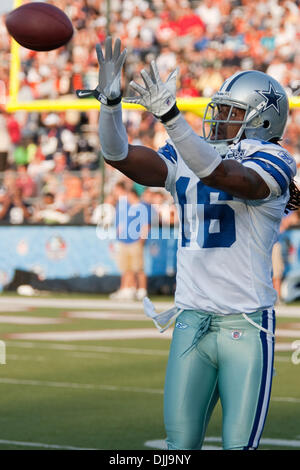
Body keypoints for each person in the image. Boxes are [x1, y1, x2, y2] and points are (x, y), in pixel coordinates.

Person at [77, 37, 300, 450]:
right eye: (219, 111)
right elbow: (120, 156)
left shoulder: (275, 159)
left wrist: (173, 117)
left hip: (244, 323)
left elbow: (229, 178)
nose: (218, 121)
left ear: (262, 120)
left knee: (239, 447)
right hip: (190, 320)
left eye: (232, 114)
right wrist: (110, 107)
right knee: (178, 448)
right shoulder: (190, 153)